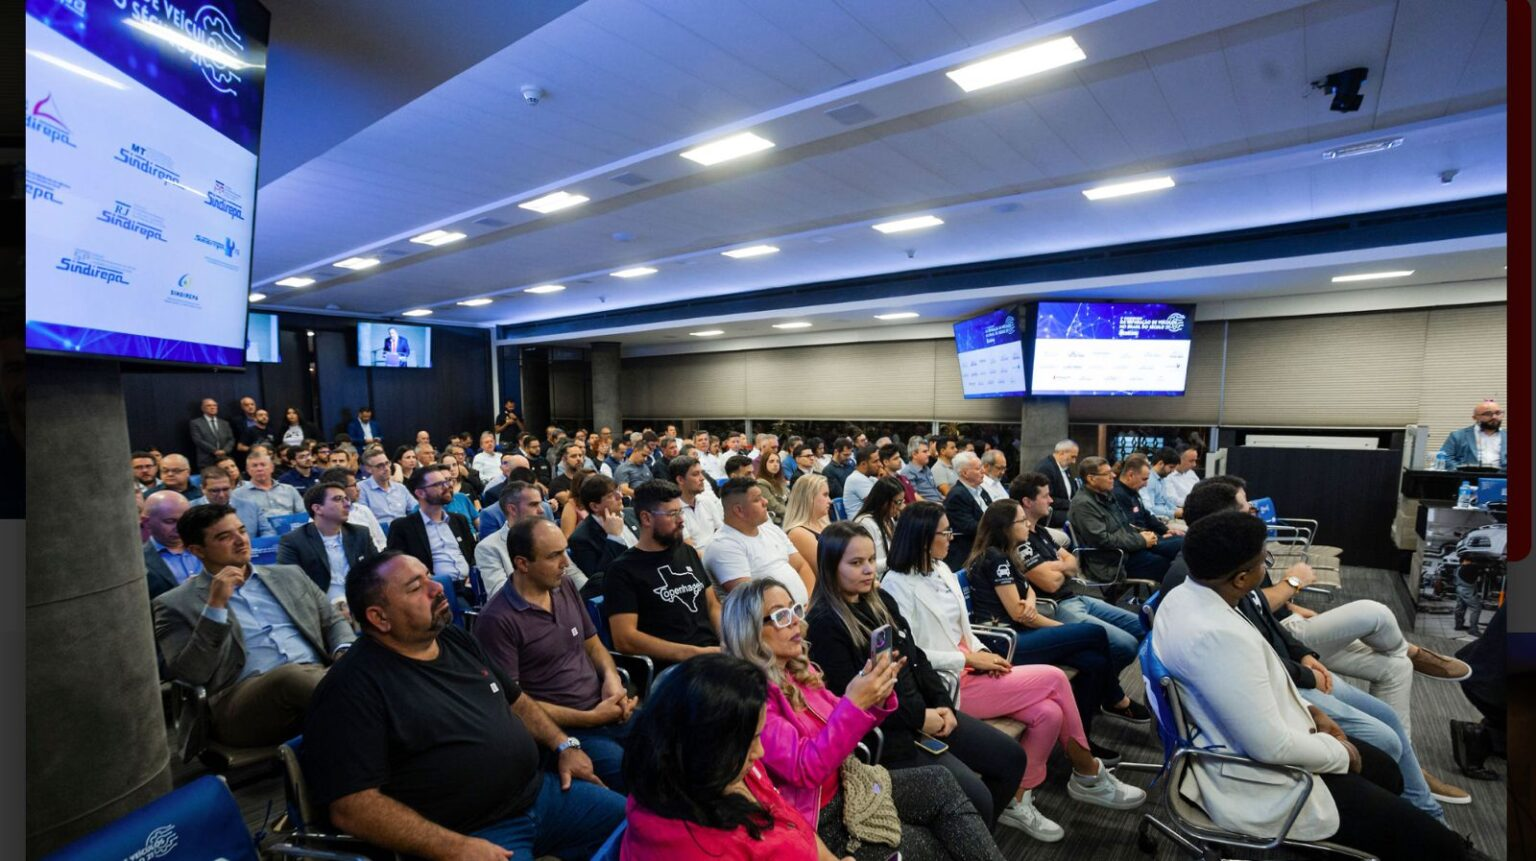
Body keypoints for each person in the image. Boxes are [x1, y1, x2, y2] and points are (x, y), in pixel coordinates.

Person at [1152, 510, 1475, 861]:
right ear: (1242, 579)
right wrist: (1340, 752)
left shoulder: (1188, 597)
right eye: (1265, 561)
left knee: (1385, 769)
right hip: (1264, 779)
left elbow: (1247, 691)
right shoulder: (1219, 636)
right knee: (1440, 847)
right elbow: (1271, 748)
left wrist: (1312, 710)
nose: (1267, 569)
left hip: (1256, 741)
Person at [301, 551, 624, 861]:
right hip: (471, 831)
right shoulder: (351, 690)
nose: (437, 587)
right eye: (416, 587)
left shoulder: (455, 640)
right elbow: (353, 807)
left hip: (541, 793)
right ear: (379, 617)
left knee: (638, 828)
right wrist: (453, 848)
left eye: (428, 576)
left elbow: (517, 702)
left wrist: (563, 744)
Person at [880, 504, 1146, 821]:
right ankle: (1088, 772)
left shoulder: (940, 570)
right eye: (946, 532)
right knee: (1056, 679)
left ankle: (1016, 800)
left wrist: (983, 654)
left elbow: (964, 629)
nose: (952, 538)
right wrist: (968, 657)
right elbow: (913, 654)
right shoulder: (895, 586)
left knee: (1049, 713)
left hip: (973, 664)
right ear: (924, 539)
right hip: (947, 681)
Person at [720, 578, 1008, 861]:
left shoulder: (798, 672)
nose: (795, 620)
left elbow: (846, 722)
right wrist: (855, 702)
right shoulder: (753, 699)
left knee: (941, 781)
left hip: (849, 784)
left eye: (795, 610)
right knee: (934, 845)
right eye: (781, 616)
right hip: (821, 817)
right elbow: (804, 769)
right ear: (751, 632)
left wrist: (875, 697)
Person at [807, 522, 1035, 836]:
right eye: (856, 563)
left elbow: (918, 659)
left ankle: (970, 838)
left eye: (871, 560)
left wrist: (942, 704)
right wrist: (920, 718)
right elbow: (853, 704)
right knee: (976, 797)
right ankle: (967, 838)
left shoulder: (880, 601)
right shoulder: (824, 623)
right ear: (831, 566)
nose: (868, 570)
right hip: (888, 735)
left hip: (926, 712)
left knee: (1011, 759)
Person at [154, 504, 355, 747]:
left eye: (242, 530)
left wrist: (343, 652)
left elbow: (332, 621)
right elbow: (191, 674)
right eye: (224, 537)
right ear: (197, 550)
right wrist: (215, 607)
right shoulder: (173, 603)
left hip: (317, 681)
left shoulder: (289, 575)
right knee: (291, 676)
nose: (240, 541)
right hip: (239, 703)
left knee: (368, 650)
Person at [622, 653, 844, 860]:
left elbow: (790, 819)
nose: (760, 752)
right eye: (752, 740)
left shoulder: (726, 769)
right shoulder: (698, 847)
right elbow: (806, 768)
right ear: (708, 744)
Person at [474, 517, 637, 790]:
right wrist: (592, 718)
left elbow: (593, 644)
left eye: (565, 552)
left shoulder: (564, 587)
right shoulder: (497, 621)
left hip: (606, 709)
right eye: (554, 556)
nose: (566, 563)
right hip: (566, 732)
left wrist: (612, 681)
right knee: (638, 776)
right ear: (522, 564)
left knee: (676, 747)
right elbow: (513, 705)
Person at [964, 499, 1149, 733]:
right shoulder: (996, 559)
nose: (1027, 525)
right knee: (1094, 633)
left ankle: (1082, 738)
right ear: (1005, 528)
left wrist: (1031, 600)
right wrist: (1060, 628)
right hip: (1007, 643)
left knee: (1095, 662)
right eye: (1021, 521)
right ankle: (1115, 699)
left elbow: (1026, 589)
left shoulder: (1006, 554)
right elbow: (1020, 614)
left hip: (1019, 632)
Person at [1008, 472, 1147, 686]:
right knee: (1126, 645)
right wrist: (1062, 566)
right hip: (1057, 605)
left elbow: (1074, 564)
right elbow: (1050, 582)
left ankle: (1101, 688)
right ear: (1027, 502)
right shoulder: (1019, 539)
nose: (1051, 500)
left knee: (1142, 625)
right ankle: (1101, 693)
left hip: (1077, 596)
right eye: (1045, 496)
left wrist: (1058, 566)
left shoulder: (1042, 532)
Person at [604, 480, 723, 668]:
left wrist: (728, 642)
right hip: (673, 667)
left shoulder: (687, 552)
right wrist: (694, 653)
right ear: (646, 519)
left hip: (712, 655)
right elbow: (625, 639)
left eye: (680, 511)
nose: (681, 519)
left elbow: (712, 604)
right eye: (672, 513)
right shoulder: (622, 570)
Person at [1069, 456, 1180, 585]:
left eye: (1111, 472)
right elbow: (1103, 540)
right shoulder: (1083, 504)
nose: (1113, 476)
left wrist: (1145, 536)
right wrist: (1141, 540)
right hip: (1112, 561)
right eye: (1107, 474)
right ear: (1091, 478)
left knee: (1181, 545)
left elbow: (1124, 524)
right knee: (1169, 566)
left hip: (1128, 549)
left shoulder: (1105, 494)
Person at [708, 478, 816, 606]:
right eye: (757, 499)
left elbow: (802, 567)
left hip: (803, 611)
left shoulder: (770, 529)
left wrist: (809, 604)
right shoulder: (723, 546)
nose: (765, 502)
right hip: (771, 621)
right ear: (739, 510)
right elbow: (750, 600)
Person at [278, 482, 379, 602]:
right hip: (320, 607)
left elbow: (376, 570)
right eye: (338, 499)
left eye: (347, 499)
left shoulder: (360, 533)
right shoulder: (293, 541)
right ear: (317, 508)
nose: (347, 504)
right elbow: (291, 584)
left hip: (361, 602)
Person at [386, 465, 476, 594]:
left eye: (446, 481)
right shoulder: (403, 527)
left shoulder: (459, 520)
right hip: (434, 591)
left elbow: (474, 553)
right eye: (439, 484)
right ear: (420, 493)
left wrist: (473, 575)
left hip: (470, 585)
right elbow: (399, 567)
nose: (447, 487)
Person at [567, 474, 638, 599]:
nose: (620, 496)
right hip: (625, 594)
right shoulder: (581, 538)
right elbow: (599, 580)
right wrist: (613, 538)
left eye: (618, 491)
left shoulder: (631, 513)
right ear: (595, 506)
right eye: (611, 496)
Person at [142, 490, 203, 598]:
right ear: (147, 523)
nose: (180, 527)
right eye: (170, 521)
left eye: (185, 520)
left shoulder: (207, 547)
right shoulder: (140, 560)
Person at [940, 452, 995, 571]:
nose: (983, 472)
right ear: (965, 473)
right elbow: (969, 526)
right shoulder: (957, 496)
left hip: (984, 546)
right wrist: (997, 527)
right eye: (978, 468)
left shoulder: (981, 491)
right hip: (967, 552)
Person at [195, 465, 273, 542]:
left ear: (231, 486)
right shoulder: (189, 510)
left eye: (225, 489)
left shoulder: (251, 507)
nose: (221, 495)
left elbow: (268, 532)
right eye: (215, 491)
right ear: (203, 489)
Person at [318, 466, 386, 551]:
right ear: (340, 489)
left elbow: (382, 542)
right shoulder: (320, 518)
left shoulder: (363, 510)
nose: (358, 489)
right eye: (354, 485)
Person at [231, 447, 305, 521]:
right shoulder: (238, 495)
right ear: (248, 470)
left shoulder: (289, 490)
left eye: (263, 465)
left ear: (272, 468)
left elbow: (303, 515)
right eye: (254, 466)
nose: (259, 469)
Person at [851, 477, 906, 575]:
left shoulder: (888, 518)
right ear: (884, 501)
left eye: (902, 501)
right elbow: (868, 566)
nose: (901, 507)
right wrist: (899, 559)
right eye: (898, 502)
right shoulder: (865, 524)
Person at [781, 473, 831, 580]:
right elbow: (827, 573)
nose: (830, 501)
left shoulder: (823, 522)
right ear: (809, 497)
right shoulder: (798, 533)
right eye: (825, 495)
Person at [670, 455, 724, 552]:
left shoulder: (707, 501)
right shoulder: (673, 511)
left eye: (701, 473)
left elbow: (722, 532)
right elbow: (690, 550)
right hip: (698, 561)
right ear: (680, 480)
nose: (702, 478)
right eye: (695, 474)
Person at [1438, 399, 1506, 469]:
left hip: (1502, 478)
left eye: (1498, 413)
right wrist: (1461, 473)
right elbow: (1445, 458)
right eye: (1488, 414)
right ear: (1475, 417)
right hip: (1468, 477)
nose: (1494, 417)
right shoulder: (1457, 436)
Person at [358, 446, 414, 525]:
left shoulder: (400, 488)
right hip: (379, 533)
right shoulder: (361, 488)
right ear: (368, 469)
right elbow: (363, 519)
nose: (386, 468)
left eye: (387, 463)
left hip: (404, 532)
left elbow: (415, 510)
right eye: (380, 465)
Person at [1031, 440, 1080, 529]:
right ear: (1061, 453)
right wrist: (1070, 503)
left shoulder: (1065, 467)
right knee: (1081, 518)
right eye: (1072, 457)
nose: (1074, 461)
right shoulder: (1045, 468)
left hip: (1065, 510)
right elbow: (1047, 498)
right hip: (1050, 513)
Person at [189, 397, 237, 469]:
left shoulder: (224, 423)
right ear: (202, 408)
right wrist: (214, 451)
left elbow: (231, 439)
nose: (213, 407)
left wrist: (225, 450)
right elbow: (198, 440)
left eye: (215, 405)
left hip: (225, 459)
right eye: (209, 406)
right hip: (207, 460)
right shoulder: (196, 423)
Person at [1140, 447, 1184, 521]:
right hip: (1158, 519)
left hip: (1167, 518)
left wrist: (1177, 509)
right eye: (1171, 467)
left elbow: (1166, 500)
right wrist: (1173, 512)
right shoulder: (1149, 480)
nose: (1173, 471)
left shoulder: (1161, 478)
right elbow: (1150, 508)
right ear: (1161, 463)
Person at [839, 445, 881, 520]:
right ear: (863, 464)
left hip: (869, 521)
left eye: (879, 460)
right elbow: (879, 504)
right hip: (859, 526)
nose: (880, 465)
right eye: (875, 461)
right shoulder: (856, 479)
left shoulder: (870, 478)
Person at [900, 438, 943, 502]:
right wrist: (935, 505)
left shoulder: (926, 468)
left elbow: (934, 492)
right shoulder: (908, 472)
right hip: (927, 508)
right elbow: (914, 496)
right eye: (925, 451)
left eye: (928, 451)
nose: (929, 454)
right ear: (914, 455)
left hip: (938, 503)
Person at [755, 451, 791, 525]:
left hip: (786, 518)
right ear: (764, 464)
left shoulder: (781, 481)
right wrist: (793, 515)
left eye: (778, 462)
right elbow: (774, 506)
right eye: (771, 461)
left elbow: (789, 500)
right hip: (774, 521)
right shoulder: (761, 483)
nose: (775, 464)